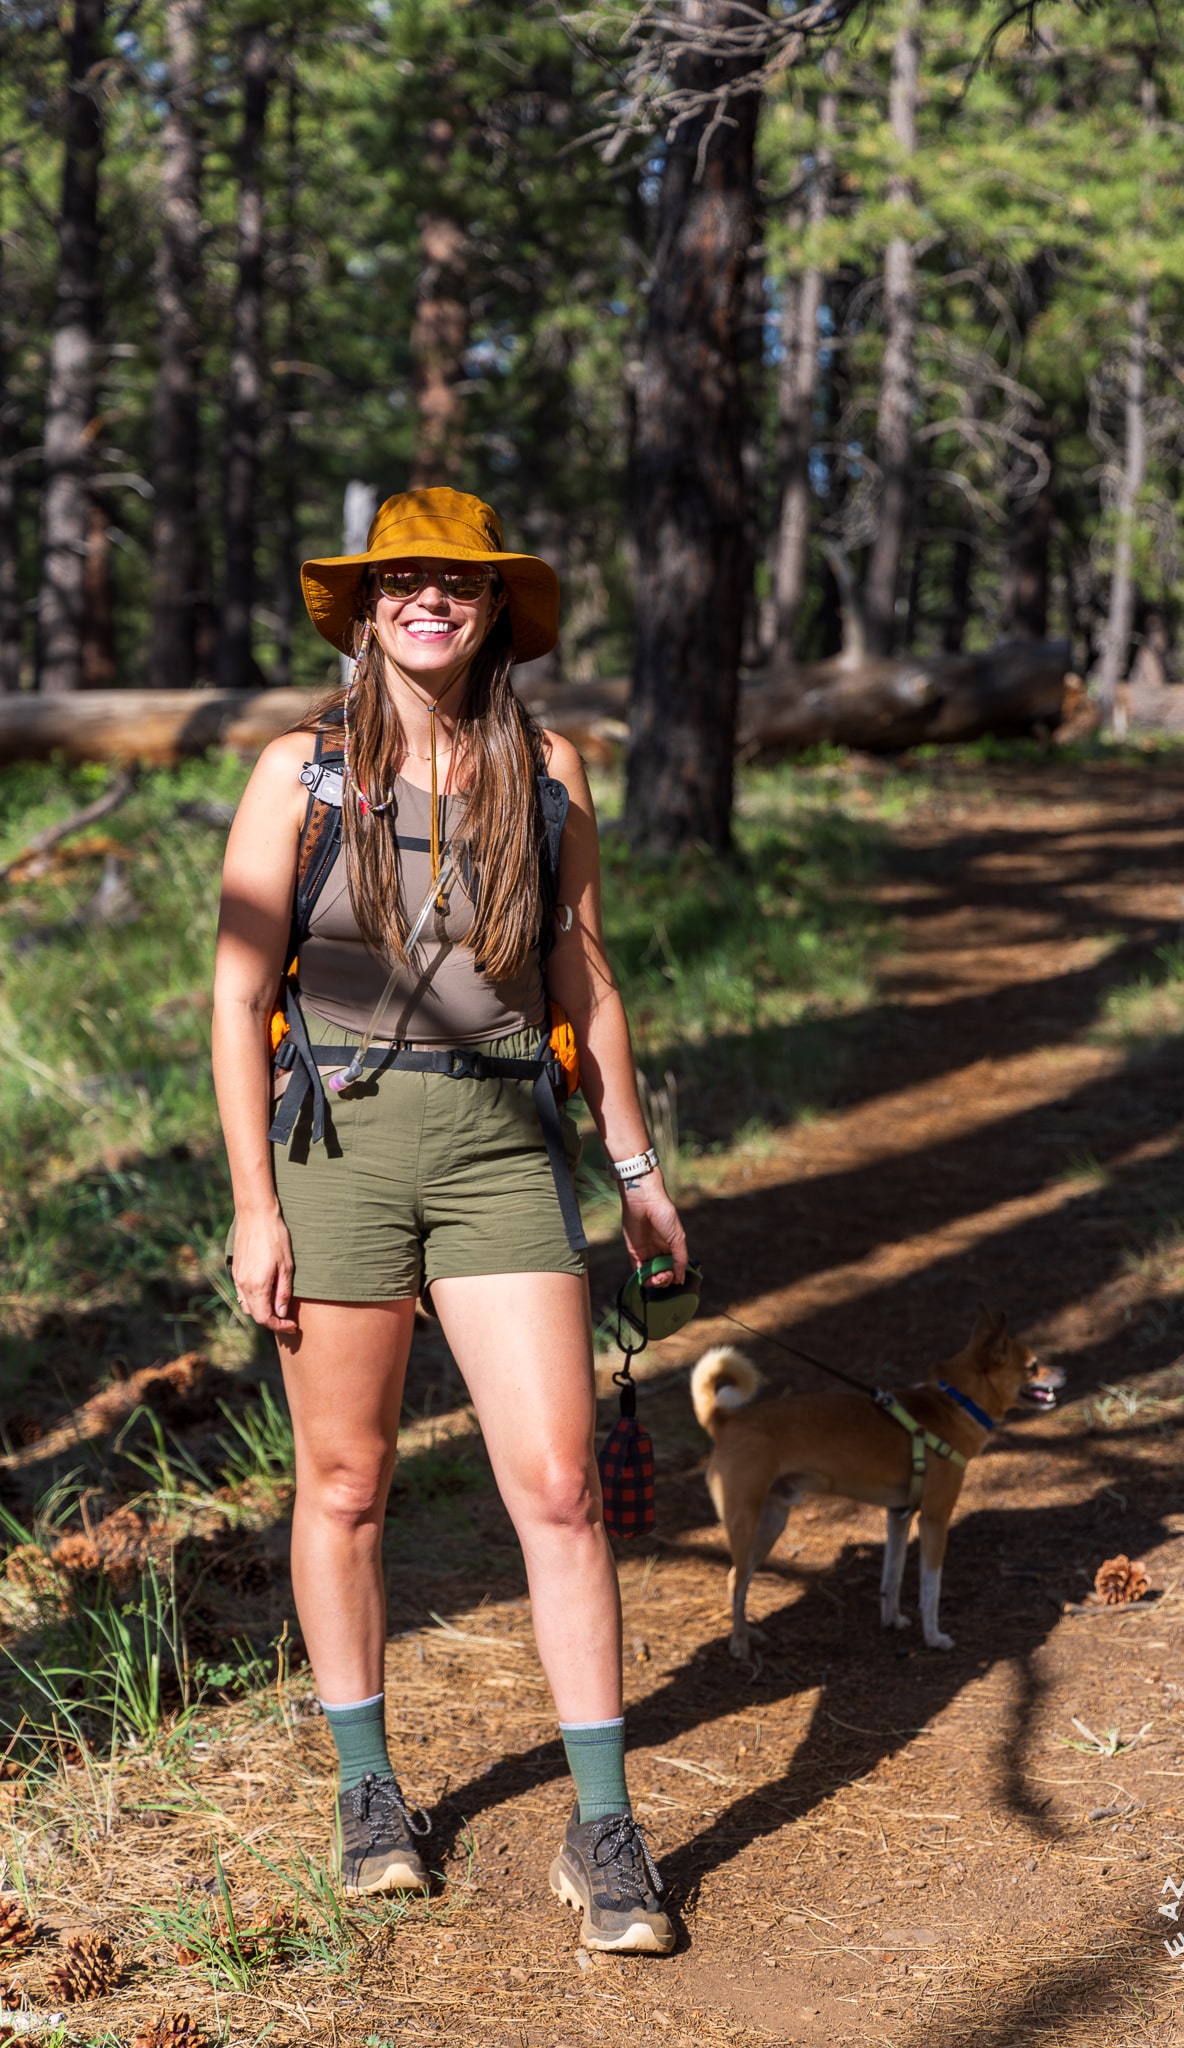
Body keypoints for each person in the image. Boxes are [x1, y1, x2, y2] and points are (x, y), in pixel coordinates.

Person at [212, 488, 687, 1955]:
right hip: (336, 1147)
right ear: (365, 610)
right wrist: (253, 1206)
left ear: (494, 611)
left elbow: (581, 971)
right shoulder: (300, 771)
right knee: (346, 1483)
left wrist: (635, 1165)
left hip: (500, 1146)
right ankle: (369, 1792)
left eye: (458, 583)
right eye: (402, 581)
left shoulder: (544, 770)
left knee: (557, 1487)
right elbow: (237, 991)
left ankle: (602, 1826)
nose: (430, 600)